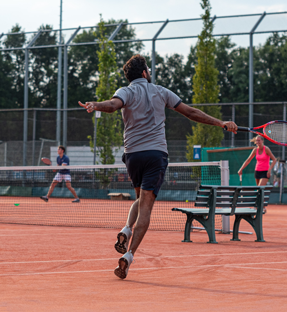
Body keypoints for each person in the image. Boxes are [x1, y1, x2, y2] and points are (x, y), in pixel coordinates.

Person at [78, 54, 237, 279]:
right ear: (144, 73)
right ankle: (129, 255)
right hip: (155, 155)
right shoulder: (161, 91)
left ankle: (126, 229)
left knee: (140, 199)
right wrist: (220, 123)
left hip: (132, 155)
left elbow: (113, 106)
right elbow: (191, 113)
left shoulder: (126, 91)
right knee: (146, 208)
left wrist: (96, 105)